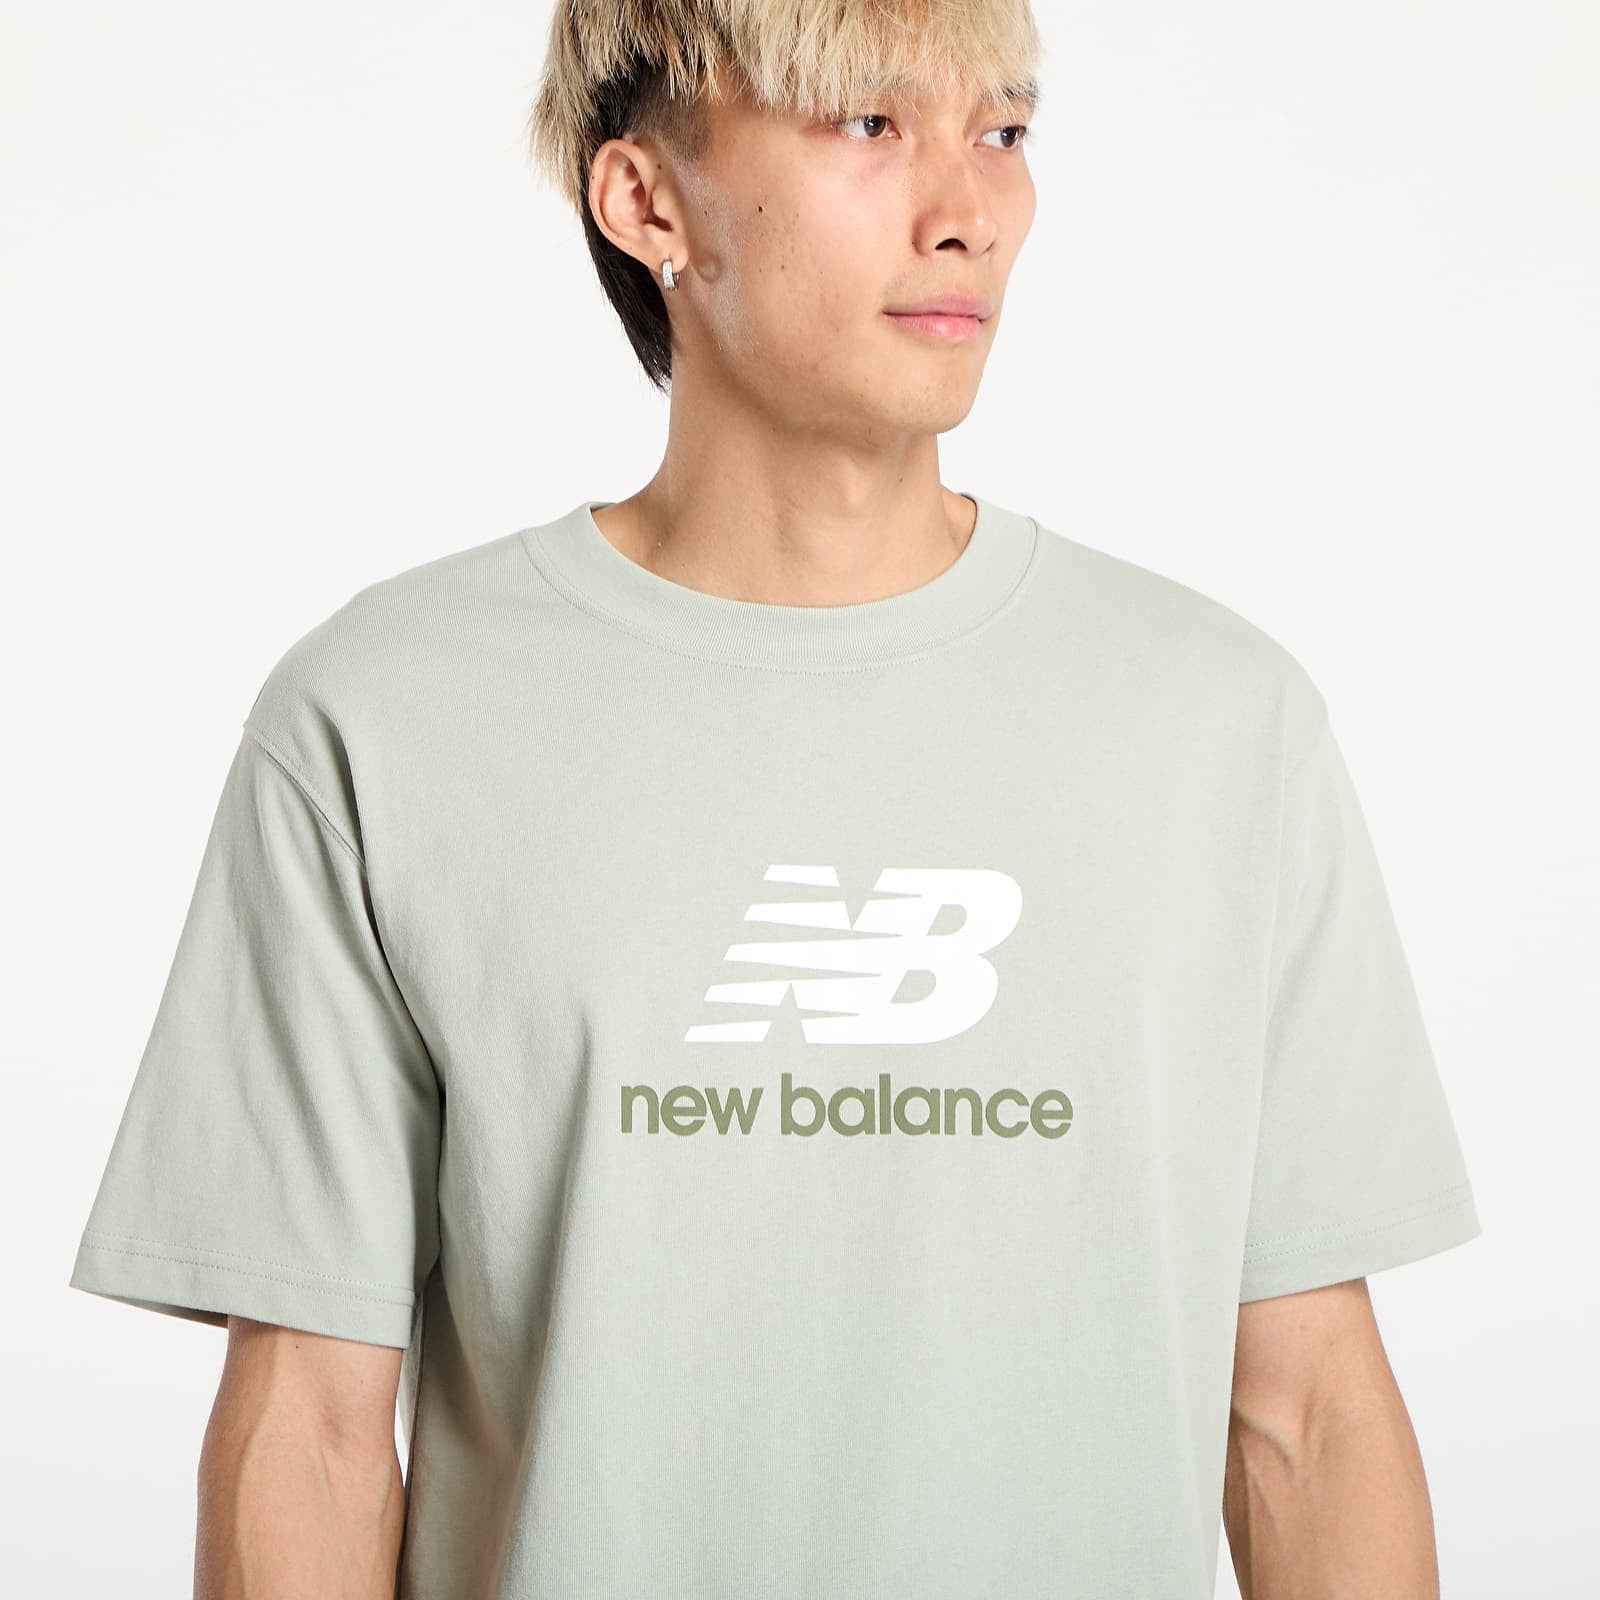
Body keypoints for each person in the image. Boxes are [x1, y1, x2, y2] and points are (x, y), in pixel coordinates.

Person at [69, 3, 1482, 1597]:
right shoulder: (384, 720)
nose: (969, 209)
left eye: (1002, 131)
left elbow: (1306, 1414)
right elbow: (313, 1432)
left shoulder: (1220, 722)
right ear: (645, 202)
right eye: (868, 124)